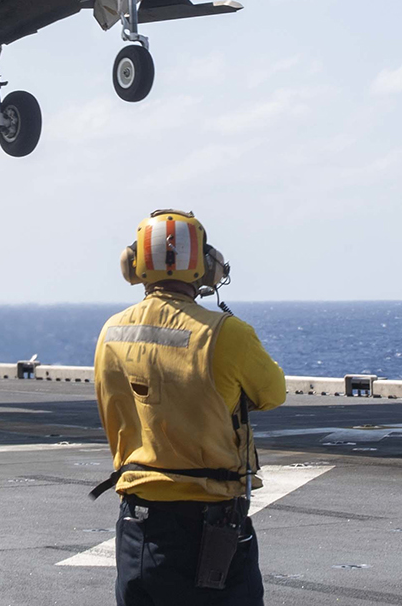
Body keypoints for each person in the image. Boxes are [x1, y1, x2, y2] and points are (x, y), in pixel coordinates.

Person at [92, 210, 286, 606]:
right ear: (205, 267)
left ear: (133, 264)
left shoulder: (111, 332)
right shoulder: (227, 333)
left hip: (137, 526)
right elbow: (273, 393)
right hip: (210, 527)